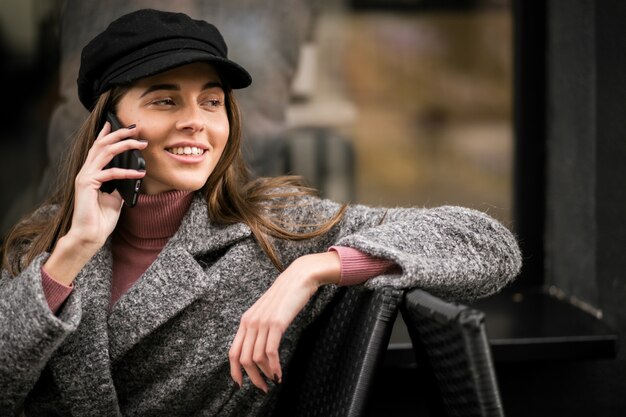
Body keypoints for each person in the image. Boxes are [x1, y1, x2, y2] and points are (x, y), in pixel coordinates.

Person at [0, 9, 521, 417]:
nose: (196, 122)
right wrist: (72, 253)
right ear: (108, 125)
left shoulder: (271, 231)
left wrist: (312, 269)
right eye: (164, 101)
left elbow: (487, 243)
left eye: (211, 101)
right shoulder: (41, 246)